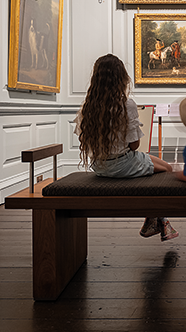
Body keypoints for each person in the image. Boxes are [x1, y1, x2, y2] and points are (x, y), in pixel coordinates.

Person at [75, 54, 178, 241]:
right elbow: (134, 145)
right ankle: (156, 219)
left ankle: (155, 221)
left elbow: (87, 141)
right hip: (122, 165)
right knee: (168, 169)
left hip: (99, 166)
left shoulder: (87, 107)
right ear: (121, 78)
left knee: (150, 161)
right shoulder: (126, 104)